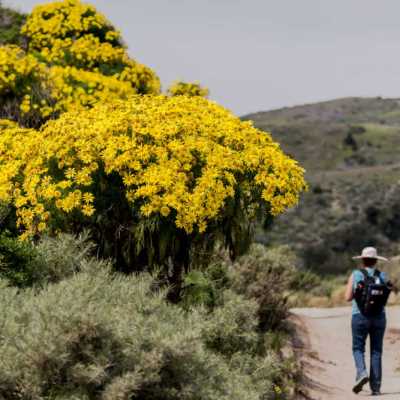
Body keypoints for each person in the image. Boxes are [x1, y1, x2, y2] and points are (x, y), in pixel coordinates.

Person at [345, 246, 391, 396]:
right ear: (376, 261)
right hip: (379, 317)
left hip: (359, 316)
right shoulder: (382, 276)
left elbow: (347, 297)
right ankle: (376, 388)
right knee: (376, 351)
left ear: (363, 260)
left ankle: (362, 373)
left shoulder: (356, 274)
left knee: (358, 348)